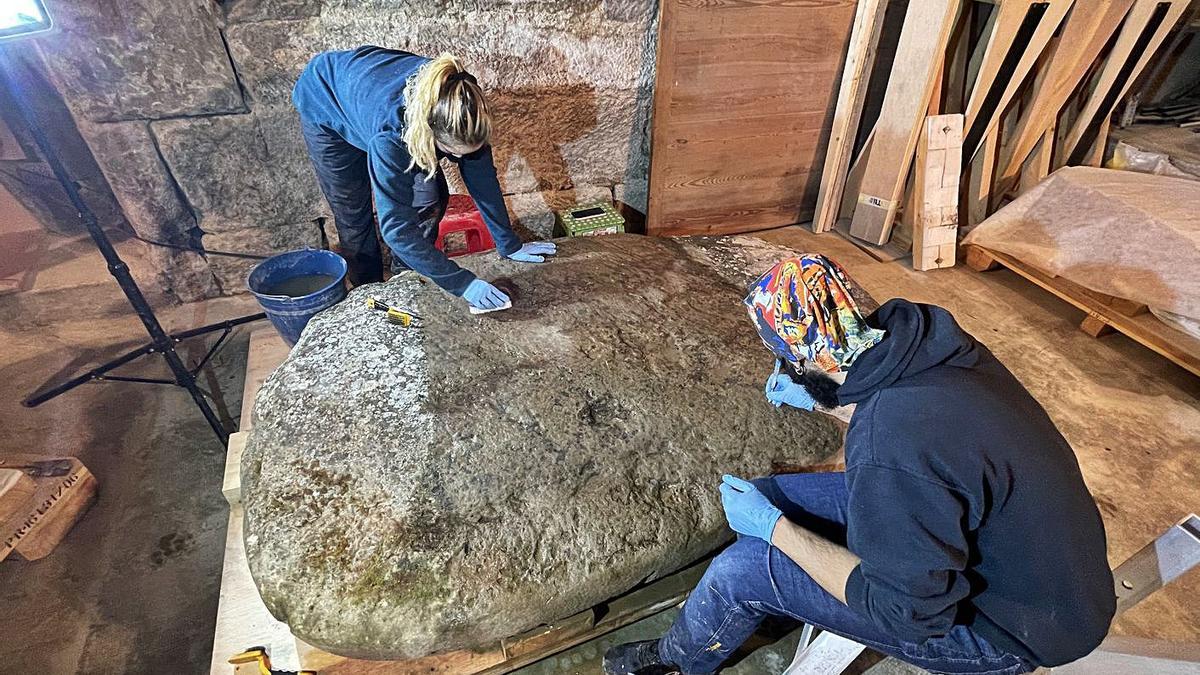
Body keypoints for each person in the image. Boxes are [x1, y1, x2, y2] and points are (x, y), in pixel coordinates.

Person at [604, 255, 1115, 675]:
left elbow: (909, 614)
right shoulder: (925, 345)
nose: (784, 372)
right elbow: (911, 439)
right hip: (1019, 552)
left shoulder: (891, 448)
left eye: (789, 363)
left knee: (742, 569)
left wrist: (775, 530)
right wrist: (824, 400)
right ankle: (776, 596)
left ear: (816, 363)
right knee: (774, 493)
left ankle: (674, 663)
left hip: (1006, 631)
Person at [292, 46, 556, 311]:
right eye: (452, 153)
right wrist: (463, 283)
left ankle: (404, 278)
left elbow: (483, 180)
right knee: (353, 213)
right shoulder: (394, 137)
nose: (459, 159)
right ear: (432, 135)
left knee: (428, 201)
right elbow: (396, 228)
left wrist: (508, 243)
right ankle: (370, 297)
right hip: (327, 101)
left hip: (370, 97)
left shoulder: (466, 107)